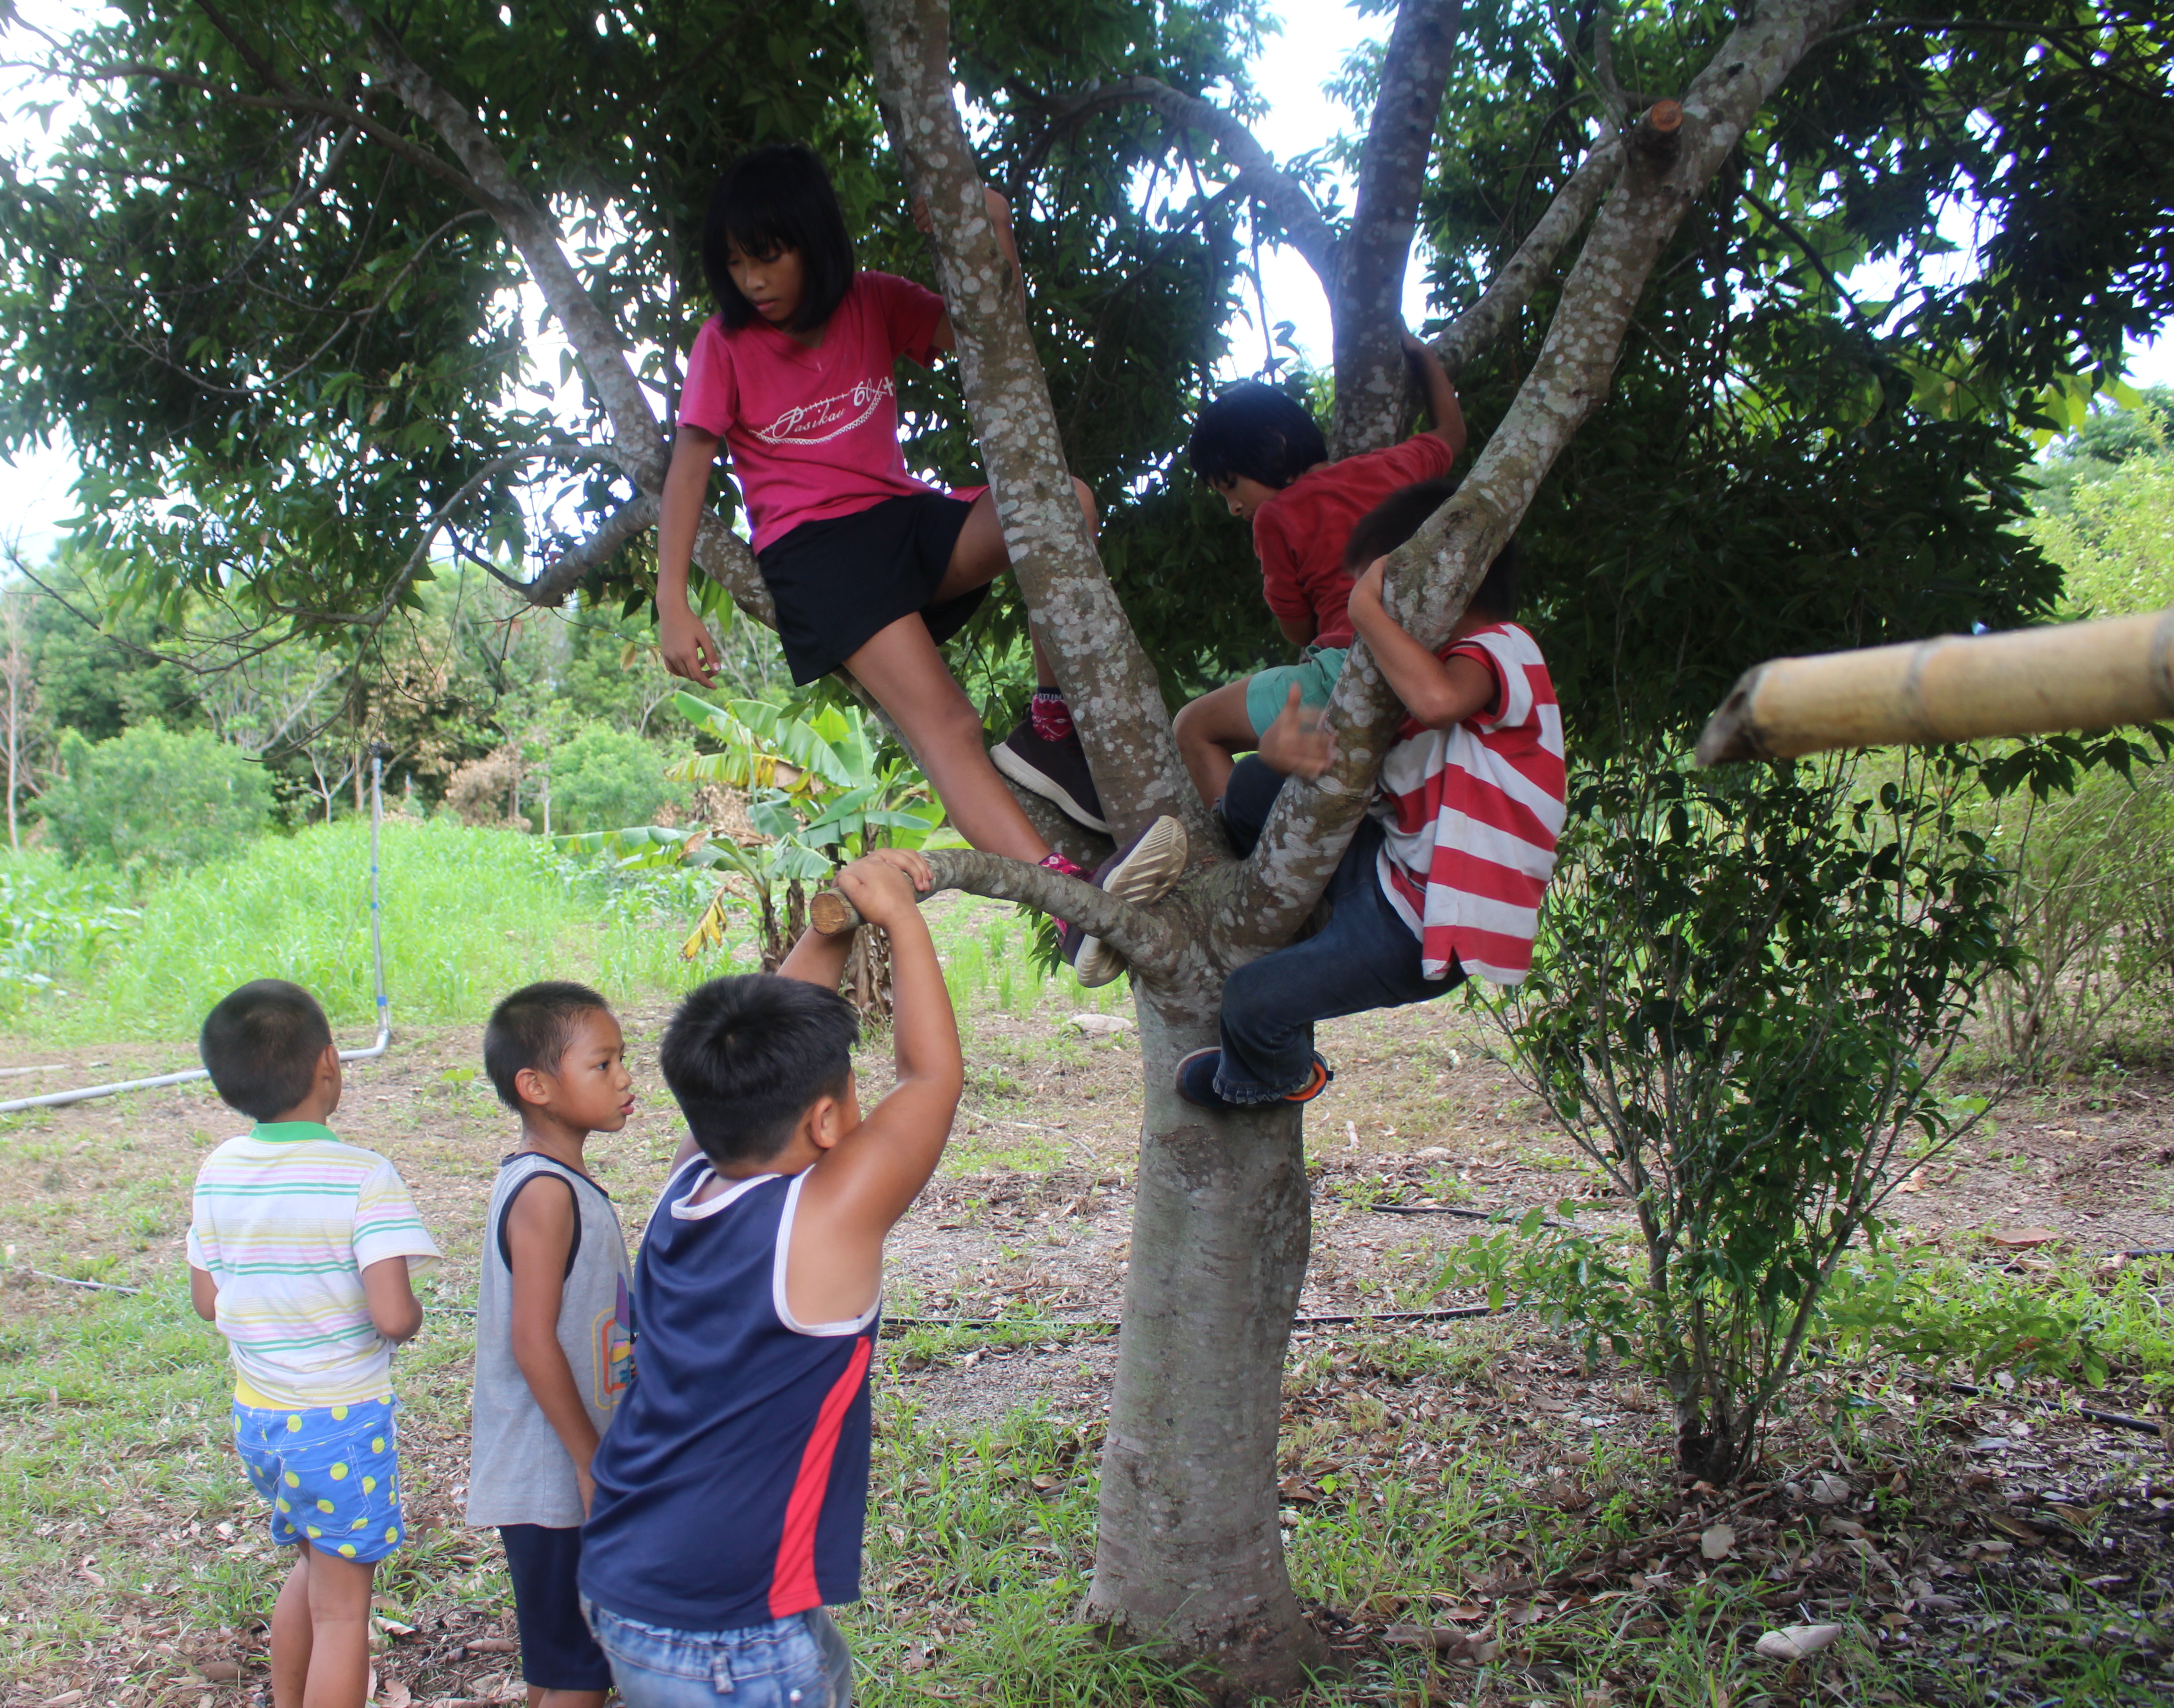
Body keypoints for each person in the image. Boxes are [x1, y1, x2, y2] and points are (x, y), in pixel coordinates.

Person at [576, 849, 960, 1708]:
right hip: (726, 1634)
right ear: (824, 1120)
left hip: (630, 1572)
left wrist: (837, 916)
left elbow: (772, 1012)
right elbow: (931, 1079)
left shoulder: (691, 1176)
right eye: (847, 1099)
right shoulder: (819, 1223)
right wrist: (898, 916)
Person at [654, 142, 1113, 852]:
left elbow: (988, 330)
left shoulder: (869, 299)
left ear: (812, 241)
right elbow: (688, 470)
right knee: (950, 725)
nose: (751, 280)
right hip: (819, 554)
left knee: (1069, 506)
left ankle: (1050, 726)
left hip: (903, 519)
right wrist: (672, 600)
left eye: (768, 257)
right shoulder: (724, 344)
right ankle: (1066, 902)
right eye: (736, 262)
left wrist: (992, 229)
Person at [1173, 482, 1566, 1110]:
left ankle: (1272, 1075)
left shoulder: (1505, 648)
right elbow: (1336, 774)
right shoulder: (1403, 699)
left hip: (1421, 924)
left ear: (1440, 587)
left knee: (1250, 1002)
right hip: (1385, 873)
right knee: (1253, 785)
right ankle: (1284, 922)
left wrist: (1366, 611)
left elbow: (1439, 701)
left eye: (1379, 595)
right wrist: (1284, 752)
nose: (1360, 634)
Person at [186, 980, 441, 1708]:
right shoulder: (362, 1175)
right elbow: (393, 1317)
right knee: (342, 1612)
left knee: (311, 1568)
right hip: (341, 1422)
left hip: (259, 1420)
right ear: (329, 1063)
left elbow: (209, 1301)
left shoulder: (218, 1172)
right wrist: (412, 1315)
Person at [1170, 343, 1467, 805]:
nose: (1233, 508)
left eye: (1232, 486)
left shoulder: (1277, 517)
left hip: (1343, 671)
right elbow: (1452, 433)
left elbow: (1298, 628)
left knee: (1193, 727)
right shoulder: (1395, 466)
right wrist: (1424, 356)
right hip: (1430, 662)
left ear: (1274, 448)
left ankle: (1232, 849)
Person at [460, 982, 638, 1708]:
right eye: (603, 1065)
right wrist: (590, 1463)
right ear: (535, 1086)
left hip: (572, 1471)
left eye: (622, 1061)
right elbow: (532, 1342)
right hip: (553, 1481)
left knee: (580, 1662)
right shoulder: (545, 1193)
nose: (625, 1079)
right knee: (571, 1673)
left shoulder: (564, 1183)